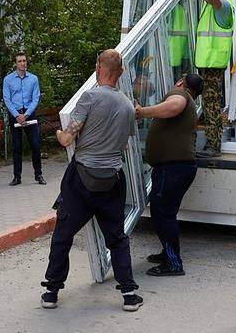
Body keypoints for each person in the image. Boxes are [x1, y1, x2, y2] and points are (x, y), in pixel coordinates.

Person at [40, 49, 144, 312]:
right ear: (120, 73)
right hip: (112, 180)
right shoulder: (127, 106)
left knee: (63, 234)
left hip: (82, 180)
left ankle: (51, 292)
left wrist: (58, 133)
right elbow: (126, 142)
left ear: (99, 68)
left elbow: (67, 139)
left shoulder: (89, 97)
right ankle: (129, 294)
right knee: (117, 238)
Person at [134, 73, 203, 276]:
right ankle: (168, 253)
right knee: (162, 212)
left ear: (182, 82)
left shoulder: (180, 93)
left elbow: (175, 105)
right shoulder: (189, 98)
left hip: (173, 168)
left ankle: (173, 263)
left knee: (163, 214)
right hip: (174, 168)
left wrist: (142, 111)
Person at [184, 0, 235, 158]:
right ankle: (208, 142)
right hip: (205, 62)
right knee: (207, 104)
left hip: (214, 64)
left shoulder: (223, 5)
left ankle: (213, 146)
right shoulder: (210, 4)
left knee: (212, 104)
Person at [2, 52, 45, 186]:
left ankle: (38, 175)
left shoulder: (33, 79)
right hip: (15, 115)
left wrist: (26, 114)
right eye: (20, 61)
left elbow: (36, 98)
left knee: (35, 145)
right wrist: (17, 115)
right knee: (17, 147)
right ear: (15, 63)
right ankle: (17, 177)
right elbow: (7, 99)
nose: (22, 63)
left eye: (24, 61)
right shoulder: (8, 80)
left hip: (29, 114)